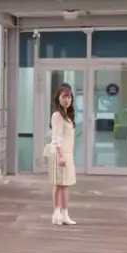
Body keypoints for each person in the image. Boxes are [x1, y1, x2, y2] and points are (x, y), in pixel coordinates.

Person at [47, 83, 77, 226]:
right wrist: (61, 156)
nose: (67, 100)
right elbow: (56, 138)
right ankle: (58, 213)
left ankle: (63, 214)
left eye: (69, 97)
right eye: (64, 97)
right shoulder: (57, 115)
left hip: (67, 154)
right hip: (61, 154)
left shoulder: (67, 115)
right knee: (60, 184)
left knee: (64, 185)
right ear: (58, 98)